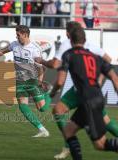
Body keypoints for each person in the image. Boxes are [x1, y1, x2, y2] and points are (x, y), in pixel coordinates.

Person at [37, 21, 118, 159]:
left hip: (86, 98)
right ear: (84, 38)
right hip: (94, 95)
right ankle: (68, 148)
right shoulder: (94, 55)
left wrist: (52, 92)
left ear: (69, 36)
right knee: (69, 129)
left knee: (99, 144)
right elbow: (114, 77)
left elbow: (60, 78)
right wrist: (97, 82)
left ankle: (69, 147)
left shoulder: (68, 53)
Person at [0, 25, 51, 137]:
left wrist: (40, 82)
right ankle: (42, 130)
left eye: (18, 35)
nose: (17, 37)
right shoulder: (14, 45)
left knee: (42, 108)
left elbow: (40, 68)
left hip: (32, 80)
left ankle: (48, 93)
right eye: (16, 34)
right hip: (20, 81)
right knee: (22, 105)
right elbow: (3, 51)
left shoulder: (35, 49)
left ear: (25, 35)